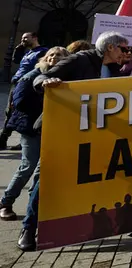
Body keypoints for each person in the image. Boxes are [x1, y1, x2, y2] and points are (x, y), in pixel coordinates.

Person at [24, 32, 128, 251]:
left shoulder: (116, 68)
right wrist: (47, 82)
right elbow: (39, 77)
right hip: (64, 129)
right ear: (110, 47)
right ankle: (28, 228)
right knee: (48, 179)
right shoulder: (80, 59)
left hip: (93, 132)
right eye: (123, 49)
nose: (126, 54)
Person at [0, 47, 69, 222]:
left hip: (51, 129)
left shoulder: (65, 78)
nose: (54, 57)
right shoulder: (32, 75)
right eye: (51, 55)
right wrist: (45, 106)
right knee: (27, 166)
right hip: (31, 129)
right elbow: (20, 101)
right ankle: (6, 203)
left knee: (41, 170)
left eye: (59, 55)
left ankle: (35, 204)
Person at [1, 32, 48, 150]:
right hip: (17, 83)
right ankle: (4, 138)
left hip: (28, 84)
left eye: (26, 37)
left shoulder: (43, 51)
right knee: (10, 111)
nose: (23, 40)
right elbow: (16, 62)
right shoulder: (28, 52)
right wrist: (18, 50)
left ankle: (20, 140)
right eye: (22, 38)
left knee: (21, 111)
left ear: (35, 38)